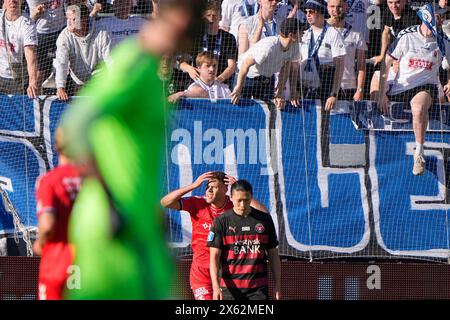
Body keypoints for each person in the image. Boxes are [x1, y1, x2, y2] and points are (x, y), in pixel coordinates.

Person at [60, 0, 206, 299]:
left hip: (139, 224)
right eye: (189, 23)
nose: (189, 35)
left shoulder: (150, 72)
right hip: (114, 228)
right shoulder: (134, 62)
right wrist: (111, 201)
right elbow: (72, 128)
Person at [160, 171, 269, 300]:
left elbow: (264, 214)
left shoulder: (234, 205)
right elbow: (165, 202)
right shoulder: (197, 203)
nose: (209, 190)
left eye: (214, 187)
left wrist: (239, 188)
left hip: (227, 272)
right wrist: (193, 186)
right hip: (201, 273)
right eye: (207, 187)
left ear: (225, 189)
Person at [377, 4, 450, 176]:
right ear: (427, 18)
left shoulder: (443, 41)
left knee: (418, 107)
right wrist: (381, 93)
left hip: (426, 86)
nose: (440, 23)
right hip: (401, 86)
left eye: (442, 18)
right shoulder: (407, 36)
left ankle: (419, 153)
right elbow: (386, 63)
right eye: (437, 18)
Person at [208, 179, 281, 300]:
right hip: (229, 290)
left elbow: (273, 254)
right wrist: (215, 287)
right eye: (239, 201)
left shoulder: (265, 220)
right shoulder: (221, 221)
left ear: (251, 197)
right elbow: (214, 257)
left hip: (258, 290)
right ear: (231, 198)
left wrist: (278, 285)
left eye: (246, 200)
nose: (242, 205)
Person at [33, 128, 82, 300]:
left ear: (56, 146)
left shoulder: (49, 181)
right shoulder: (95, 181)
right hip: (91, 265)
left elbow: (47, 224)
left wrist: (40, 242)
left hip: (56, 265)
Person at [231, 17, 307, 107]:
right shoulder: (268, 46)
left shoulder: (295, 47)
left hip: (267, 79)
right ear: (291, 35)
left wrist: (279, 93)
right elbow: (245, 64)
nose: (303, 33)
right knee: (238, 108)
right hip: (247, 77)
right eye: (301, 31)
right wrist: (239, 87)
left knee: (268, 109)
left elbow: (286, 69)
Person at [54, 3, 111, 101]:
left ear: (84, 19)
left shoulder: (102, 32)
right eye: (68, 19)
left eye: (74, 19)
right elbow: (61, 64)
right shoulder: (64, 37)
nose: (70, 23)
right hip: (77, 81)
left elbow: (111, 60)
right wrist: (60, 88)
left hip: (99, 78)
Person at [177, 1, 237, 90]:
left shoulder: (229, 37)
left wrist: (218, 80)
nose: (212, 18)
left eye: (215, 15)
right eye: (208, 15)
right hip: (198, 82)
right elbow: (182, 63)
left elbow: (231, 66)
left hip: (220, 83)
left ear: (220, 17)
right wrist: (190, 69)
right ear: (203, 17)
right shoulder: (196, 36)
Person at [299, 0, 346, 110]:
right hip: (304, 89)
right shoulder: (303, 33)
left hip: (325, 89)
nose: (308, 15)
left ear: (320, 12)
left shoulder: (333, 34)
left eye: (311, 11)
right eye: (306, 12)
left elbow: (340, 66)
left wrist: (333, 94)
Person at [327, 0, 367, 101]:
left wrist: (359, 90)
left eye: (339, 6)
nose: (335, 10)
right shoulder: (321, 32)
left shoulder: (356, 34)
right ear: (327, 8)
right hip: (325, 85)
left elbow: (361, 65)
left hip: (348, 86)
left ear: (346, 8)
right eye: (332, 6)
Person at [0, 0, 38, 98]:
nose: (12, 1)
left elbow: (30, 55)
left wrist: (32, 82)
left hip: (17, 78)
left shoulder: (27, 24)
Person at [27, 0, 67, 93]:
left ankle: (63, 93)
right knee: (41, 71)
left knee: (65, 63)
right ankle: (35, 97)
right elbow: (30, 18)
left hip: (60, 30)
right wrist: (36, 13)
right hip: (41, 33)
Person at [369, 0, 420, 67]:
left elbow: (412, 43)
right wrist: (382, 56)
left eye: (397, 2)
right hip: (394, 55)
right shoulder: (388, 12)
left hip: (411, 56)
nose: (393, 6)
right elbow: (386, 32)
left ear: (404, 2)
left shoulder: (412, 17)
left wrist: (399, 59)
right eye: (390, 2)